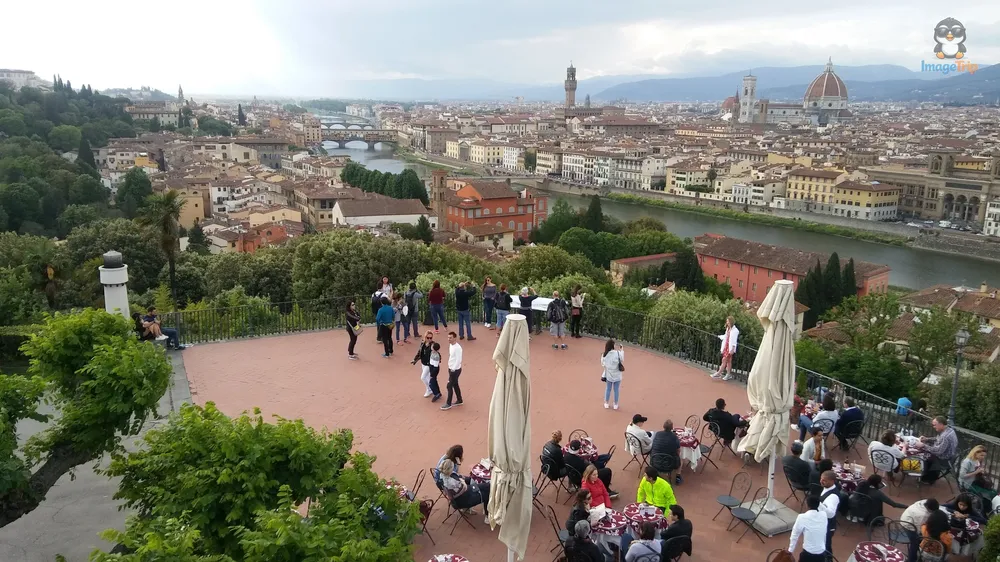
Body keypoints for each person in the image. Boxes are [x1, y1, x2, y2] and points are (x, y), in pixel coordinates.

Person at [439, 459, 491, 524]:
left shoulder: (443, 476)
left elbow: (460, 480)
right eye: (453, 467)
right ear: (449, 469)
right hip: (463, 500)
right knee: (487, 493)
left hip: (462, 494)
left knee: (483, 485)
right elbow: (463, 489)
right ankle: (487, 516)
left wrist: (465, 479)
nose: (454, 468)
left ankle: (487, 487)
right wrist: (464, 482)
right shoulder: (451, 483)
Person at [788, 495, 829, 562]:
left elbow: (795, 534)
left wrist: (790, 550)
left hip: (808, 554)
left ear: (807, 505)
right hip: (821, 553)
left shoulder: (802, 517)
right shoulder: (824, 515)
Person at [919, 416, 958, 484]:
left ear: (941, 424)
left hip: (944, 460)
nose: (934, 427)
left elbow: (938, 451)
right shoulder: (949, 430)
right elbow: (938, 439)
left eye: (935, 425)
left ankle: (928, 478)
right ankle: (927, 476)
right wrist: (927, 439)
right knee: (926, 452)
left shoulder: (945, 436)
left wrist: (923, 445)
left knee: (924, 456)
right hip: (950, 457)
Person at [650, 419, 682, 485]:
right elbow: (678, 450)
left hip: (655, 461)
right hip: (669, 465)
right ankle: (678, 477)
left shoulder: (658, 434)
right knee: (681, 459)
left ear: (663, 426)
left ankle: (656, 473)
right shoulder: (674, 437)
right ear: (672, 428)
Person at [817, 470, 840, 561]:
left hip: (828, 525)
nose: (821, 481)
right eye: (821, 479)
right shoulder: (826, 488)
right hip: (822, 523)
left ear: (832, 481)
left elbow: (830, 514)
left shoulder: (833, 496)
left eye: (825, 480)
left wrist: (818, 504)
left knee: (826, 547)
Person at [440, 331, 464, 410]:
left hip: (455, 370)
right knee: (455, 384)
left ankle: (448, 403)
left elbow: (458, 359)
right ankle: (459, 400)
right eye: (448, 337)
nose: (448, 339)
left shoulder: (458, 348)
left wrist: (453, 369)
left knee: (449, 385)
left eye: (450, 338)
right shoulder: (451, 345)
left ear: (454, 338)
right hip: (451, 368)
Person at [711, 315, 739, 380]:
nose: (727, 323)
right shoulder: (728, 329)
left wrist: (732, 349)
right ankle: (728, 374)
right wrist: (720, 336)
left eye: (728, 322)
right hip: (726, 347)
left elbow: (734, 341)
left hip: (729, 348)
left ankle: (719, 373)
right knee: (728, 361)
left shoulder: (735, 331)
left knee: (724, 360)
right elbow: (726, 336)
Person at [601, 339, 624, 410]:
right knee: (616, 389)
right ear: (612, 345)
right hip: (617, 375)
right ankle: (615, 404)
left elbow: (603, 364)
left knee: (608, 389)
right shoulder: (617, 353)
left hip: (609, 375)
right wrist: (622, 350)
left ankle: (606, 403)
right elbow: (622, 359)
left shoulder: (604, 355)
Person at [411, 331, 434, 397]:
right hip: (423, 363)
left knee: (423, 377)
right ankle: (432, 389)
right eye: (428, 337)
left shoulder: (433, 345)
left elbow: (437, 353)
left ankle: (429, 389)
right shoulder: (422, 343)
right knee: (428, 377)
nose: (429, 339)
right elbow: (419, 352)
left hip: (428, 364)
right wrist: (414, 360)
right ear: (425, 337)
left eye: (431, 338)